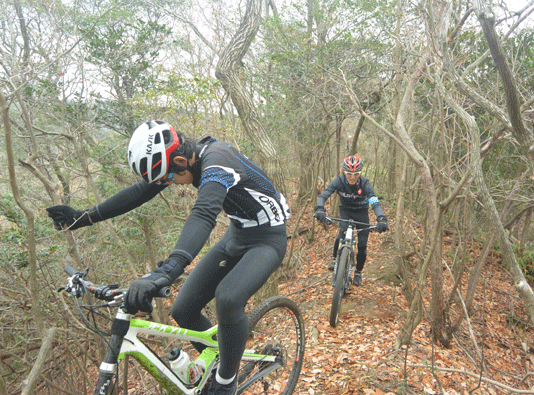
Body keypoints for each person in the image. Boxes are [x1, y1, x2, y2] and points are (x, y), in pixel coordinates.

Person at [47, 120, 290, 395]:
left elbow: (204, 213)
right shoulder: (184, 160)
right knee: (183, 310)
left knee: (228, 298)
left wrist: (169, 269)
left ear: (180, 160)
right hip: (237, 235)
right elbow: (140, 192)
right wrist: (84, 217)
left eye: (168, 177)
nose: (167, 183)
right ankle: (221, 358)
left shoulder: (218, 160)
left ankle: (226, 381)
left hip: (268, 239)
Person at [314, 155, 388, 286]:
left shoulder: (365, 183)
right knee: (342, 233)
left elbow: (374, 202)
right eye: (349, 173)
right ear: (344, 171)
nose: (352, 177)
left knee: (362, 244)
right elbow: (324, 195)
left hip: (361, 212)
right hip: (346, 210)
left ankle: (358, 272)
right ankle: (335, 258)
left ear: (360, 172)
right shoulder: (338, 181)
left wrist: (381, 218)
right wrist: (320, 209)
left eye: (356, 174)